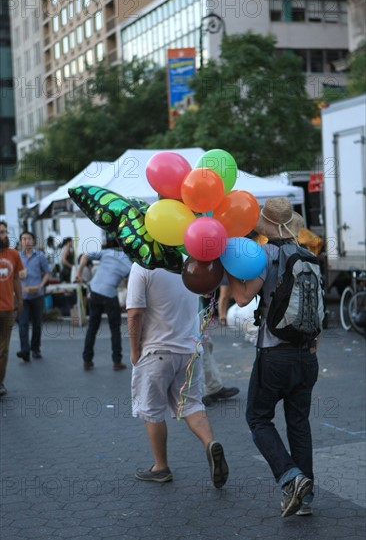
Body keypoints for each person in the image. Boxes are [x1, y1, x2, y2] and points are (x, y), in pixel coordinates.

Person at [226, 198, 319, 518]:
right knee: (299, 424)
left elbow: (241, 298)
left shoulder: (265, 255)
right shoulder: (309, 256)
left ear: (266, 226)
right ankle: (305, 499)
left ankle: (291, 478)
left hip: (274, 354)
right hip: (307, 356)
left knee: (258, 418)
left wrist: (227, 264)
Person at [126, 264, 229, 488]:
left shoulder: (142, 266)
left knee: (152, 411)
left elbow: (134, 313)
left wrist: (134, 350)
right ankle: (210, 442)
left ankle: (160, 466)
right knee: (192, 405)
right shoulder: (188, 261)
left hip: (156, 350)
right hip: (189, 351)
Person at [76, 240, 132, 371]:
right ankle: (117, 362)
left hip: (94, 292)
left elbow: (85, 256)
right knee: (115, 330)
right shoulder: (131, 265)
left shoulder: (108, 252)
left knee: (92, 328)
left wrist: (79, 273)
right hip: (109, 295)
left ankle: (87, 360)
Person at [17, 231, 50, 362]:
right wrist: (18, 275)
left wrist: (40, 286)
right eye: (24, 239)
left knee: (37, 324)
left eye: (29, 238)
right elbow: (13, 273)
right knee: (22, 324)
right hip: (23, 296)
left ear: (33, 241)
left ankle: (35, 349)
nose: (27, 241)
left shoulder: (40, 256)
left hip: (37, 295)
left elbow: (47, 273)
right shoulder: (17, 257)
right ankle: (25, 350)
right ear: (20, 242)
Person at [0, 221, 24, 396]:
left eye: (4, 232)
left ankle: (0, 383)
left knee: (4, 349)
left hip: (8, 308)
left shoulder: (14, 254)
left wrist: (20, 299)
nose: (3, 236)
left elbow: (16, 278)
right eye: (0, 232)